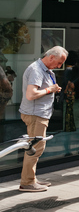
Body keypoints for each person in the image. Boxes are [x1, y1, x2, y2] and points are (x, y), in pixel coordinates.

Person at [17, 46, 67, 192]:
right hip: (35, 114)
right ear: (51, 57)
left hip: (39, 113)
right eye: (59, 63)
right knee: (35, 148)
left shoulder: (44, 69)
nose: (59, 66)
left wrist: (52, 88)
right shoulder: (36, 70)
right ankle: (27, 182)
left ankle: (31, 178)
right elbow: (31, 95)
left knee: (35, 147)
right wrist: (49, 90)